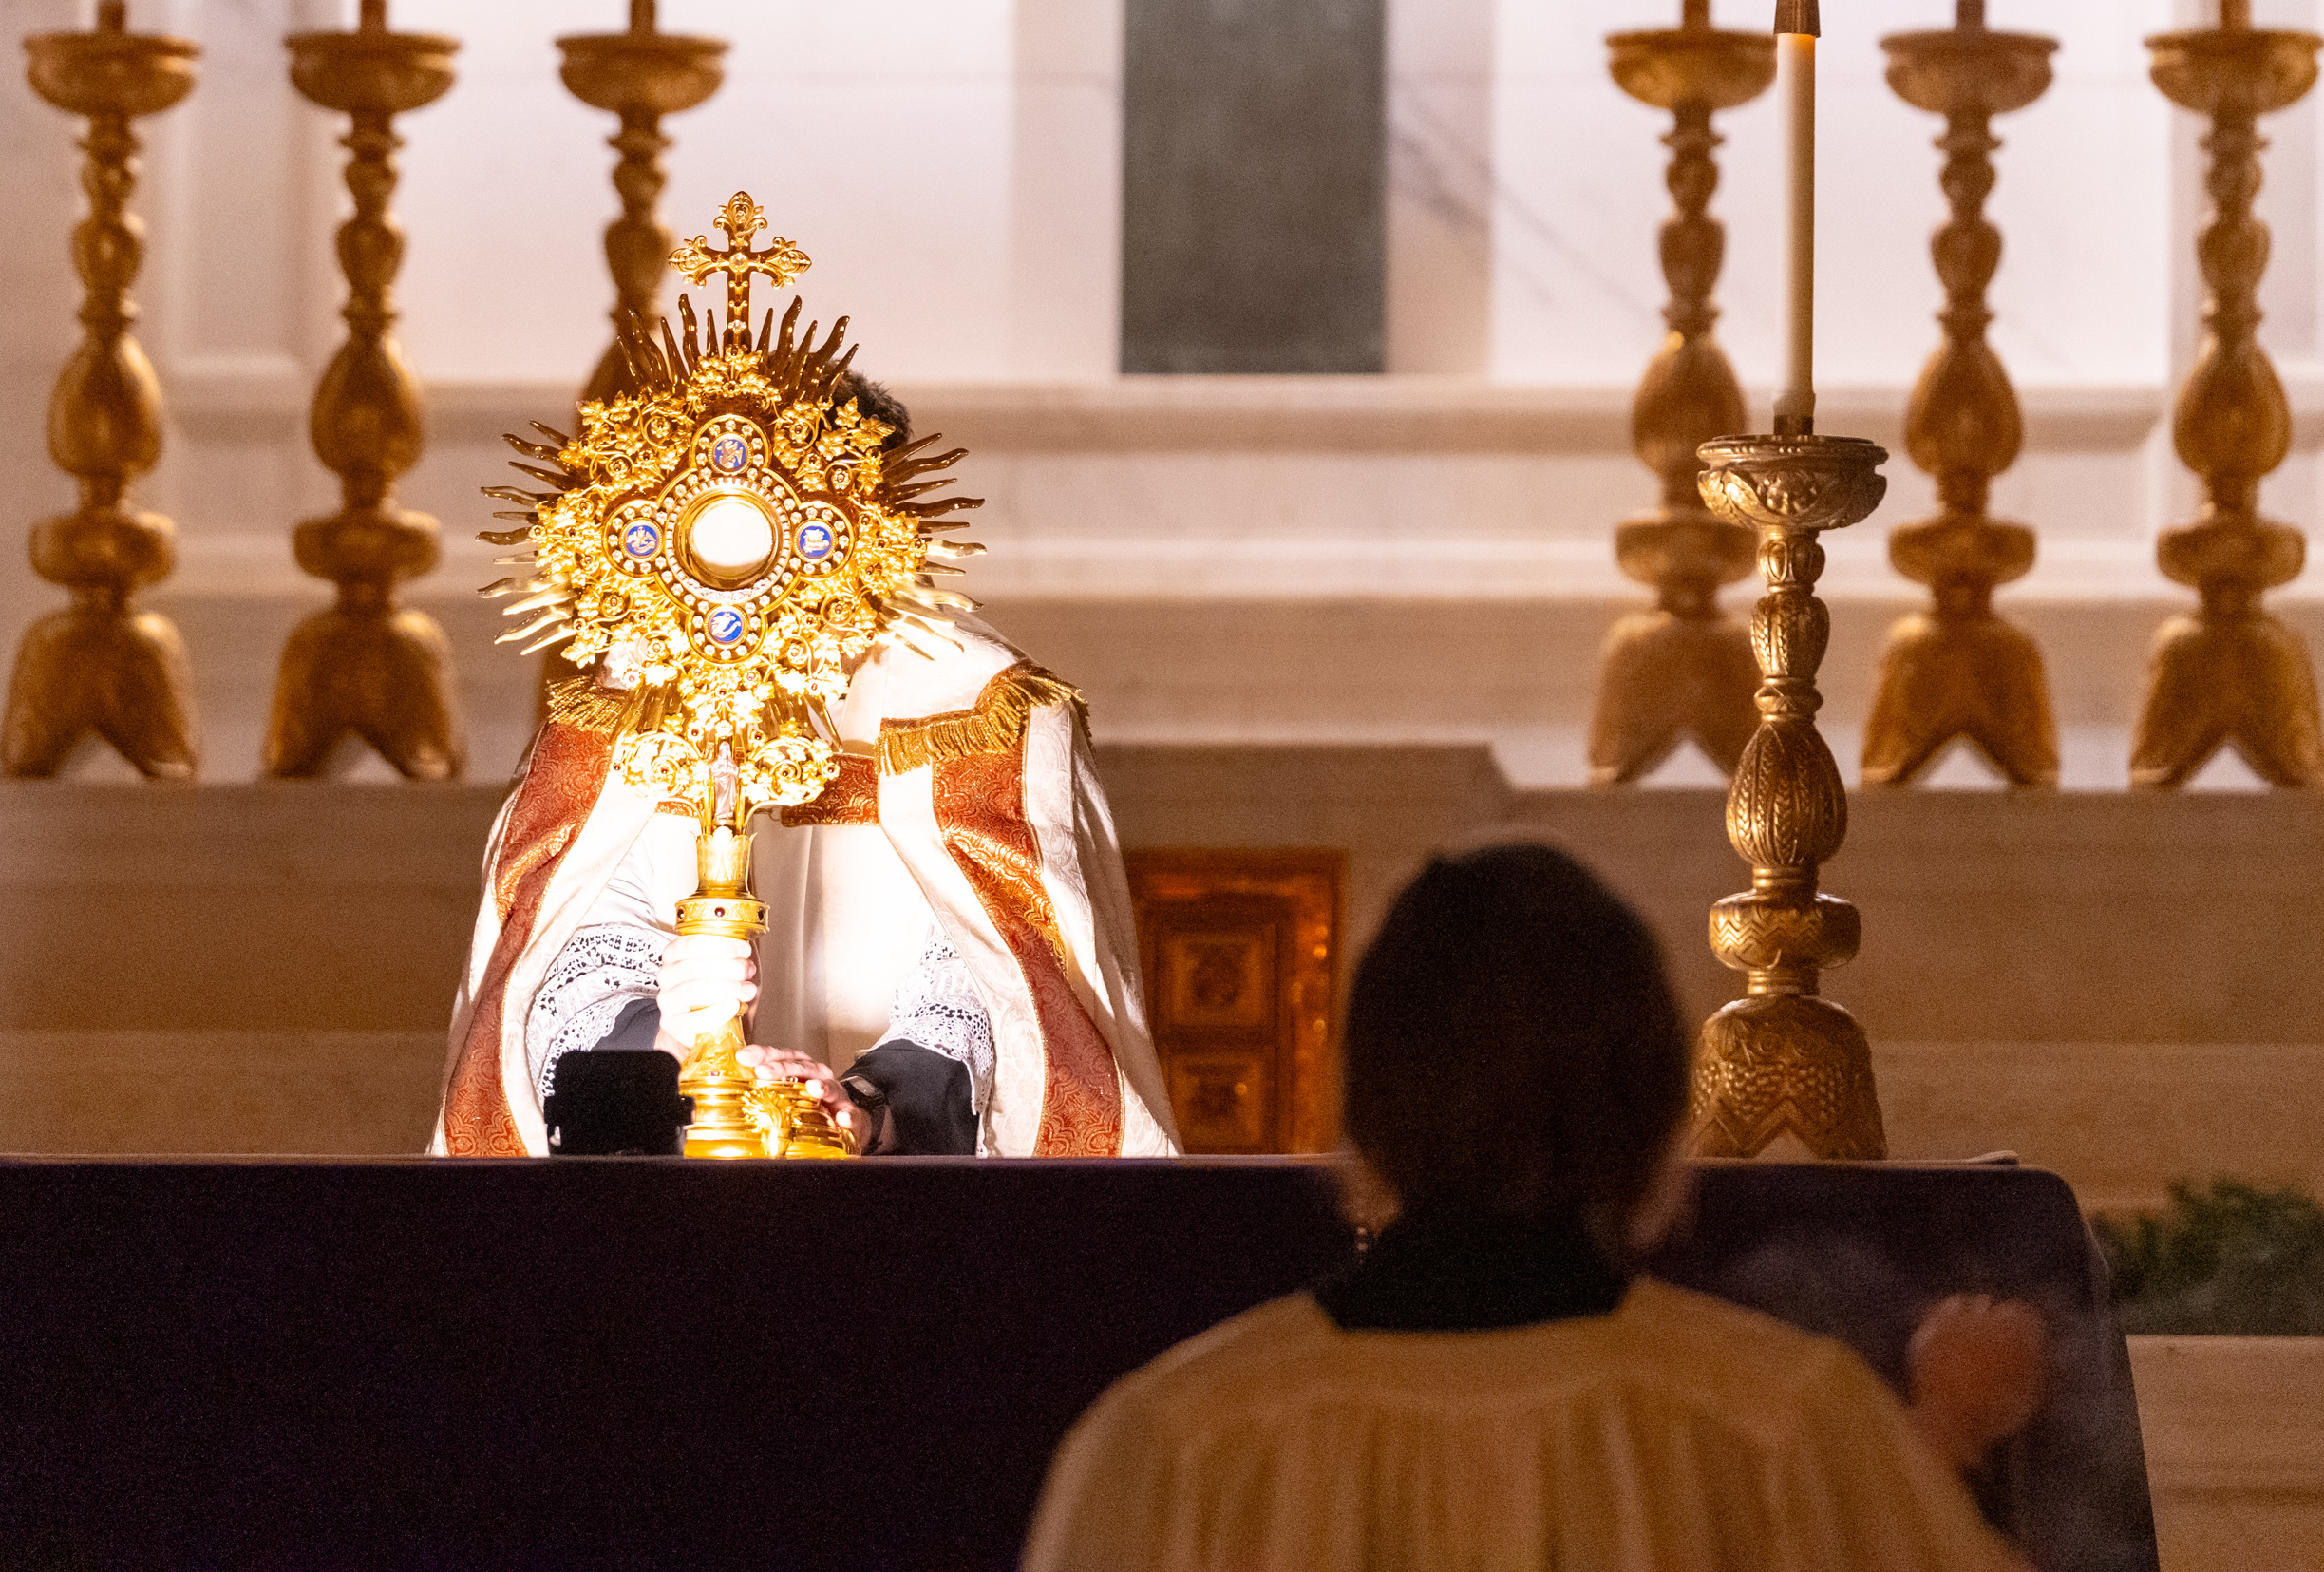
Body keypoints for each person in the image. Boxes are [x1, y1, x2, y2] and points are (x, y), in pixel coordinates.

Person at [1023, 843, 2033, 1571]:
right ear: (1650, 1109)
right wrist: (1943, 1435)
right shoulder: (1782, 1420)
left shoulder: (1174, 1443)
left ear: (1368, 1108)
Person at [433, 379, 1178, 1159]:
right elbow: (554, 966)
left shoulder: (982, 710)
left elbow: (1012, 989)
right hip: (666, 1185)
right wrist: (666, 1032)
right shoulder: (619, 708)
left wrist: (862, 1104)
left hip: (909, 1193)